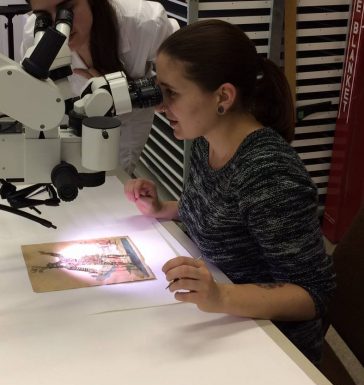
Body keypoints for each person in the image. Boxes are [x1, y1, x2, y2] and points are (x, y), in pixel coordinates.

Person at [124, 19, 336, 366]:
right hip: (222, 318)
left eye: (171, 93)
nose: (161, 107)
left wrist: (221, 296)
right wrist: (163, 207)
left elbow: (314, 294)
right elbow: (227, 214)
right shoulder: (209, 140)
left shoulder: (268, 172)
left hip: (274, 345)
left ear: (223, 96)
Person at [21, 0, 179, 175]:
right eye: (43, 16)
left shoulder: (145, 22)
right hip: (64, 124)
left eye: (67, 10)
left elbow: (185, 76)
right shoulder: (33, 37)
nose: (58, 26)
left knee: (113, 181)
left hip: (126, 124)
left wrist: (126, 89)